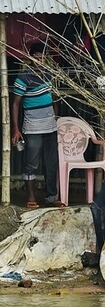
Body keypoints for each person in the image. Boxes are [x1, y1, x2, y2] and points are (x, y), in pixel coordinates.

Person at [11, 42, 62, 209]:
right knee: (31, 164)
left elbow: (54, 100)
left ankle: (52, 197)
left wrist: (56, 119)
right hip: (32, 128)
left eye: (43, 58)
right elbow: (15, 104)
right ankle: (31, 197)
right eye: (37, 58)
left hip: (50, 127)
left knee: (51, 163)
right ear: (30, 58)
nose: (40, 61)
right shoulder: (23, 78)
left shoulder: (49, 75)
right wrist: (16, 129)